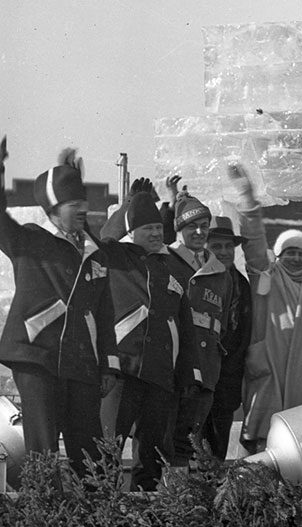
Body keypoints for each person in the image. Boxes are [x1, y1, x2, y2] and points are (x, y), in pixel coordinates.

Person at [0, 141, 111, 475]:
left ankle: (95, 522)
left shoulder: (95, 254)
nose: (81, 208)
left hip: (82, 365)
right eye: (72, 203)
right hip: (36, 358)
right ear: (52, 210)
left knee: (90, 452)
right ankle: (44, 518)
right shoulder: (30, 241)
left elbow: (104, 315)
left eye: (83, 202)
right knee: (43, 449)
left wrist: (106, 365)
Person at [96, 190, 191, 489]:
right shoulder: (117, 258)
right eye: (147, 228)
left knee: (150, 457)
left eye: (158, 228)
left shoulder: (171, 269)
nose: (154, 233)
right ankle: (101, 517)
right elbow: (106, 237)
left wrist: (188, 374)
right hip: (124, 371)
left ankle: (145, 518)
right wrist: (127, 206)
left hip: (160, 377)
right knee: (107, 449)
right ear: (131, 231)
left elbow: (185, 326)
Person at [237, 163, 302, 452]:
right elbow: (254, 244)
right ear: (280, 254)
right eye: (290, 252)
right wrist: (248, 201)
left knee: (293, 440)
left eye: (301, 253)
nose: (296, 258)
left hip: (301, 370)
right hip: (268, 364)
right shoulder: (268, 276)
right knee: (260, 434)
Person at [164, 189, 230, 464]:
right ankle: (166, 500)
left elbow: (221, 323)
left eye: (204, 226)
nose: (200, 232)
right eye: (192, 226)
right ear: (179, 229)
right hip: (175, 366)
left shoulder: (220, 272)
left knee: (191, 440)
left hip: (206, 369)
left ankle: (182, 499)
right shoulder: (166, 260)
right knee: (168, 439)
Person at [200, 216, 253, 459]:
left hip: (227, 379)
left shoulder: (242, 284)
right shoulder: (197, 278)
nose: (223, 252)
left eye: (228, 246)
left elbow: (242, 334)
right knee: (192, 443)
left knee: (218, 446)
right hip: (197, 377)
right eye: (216, 246)